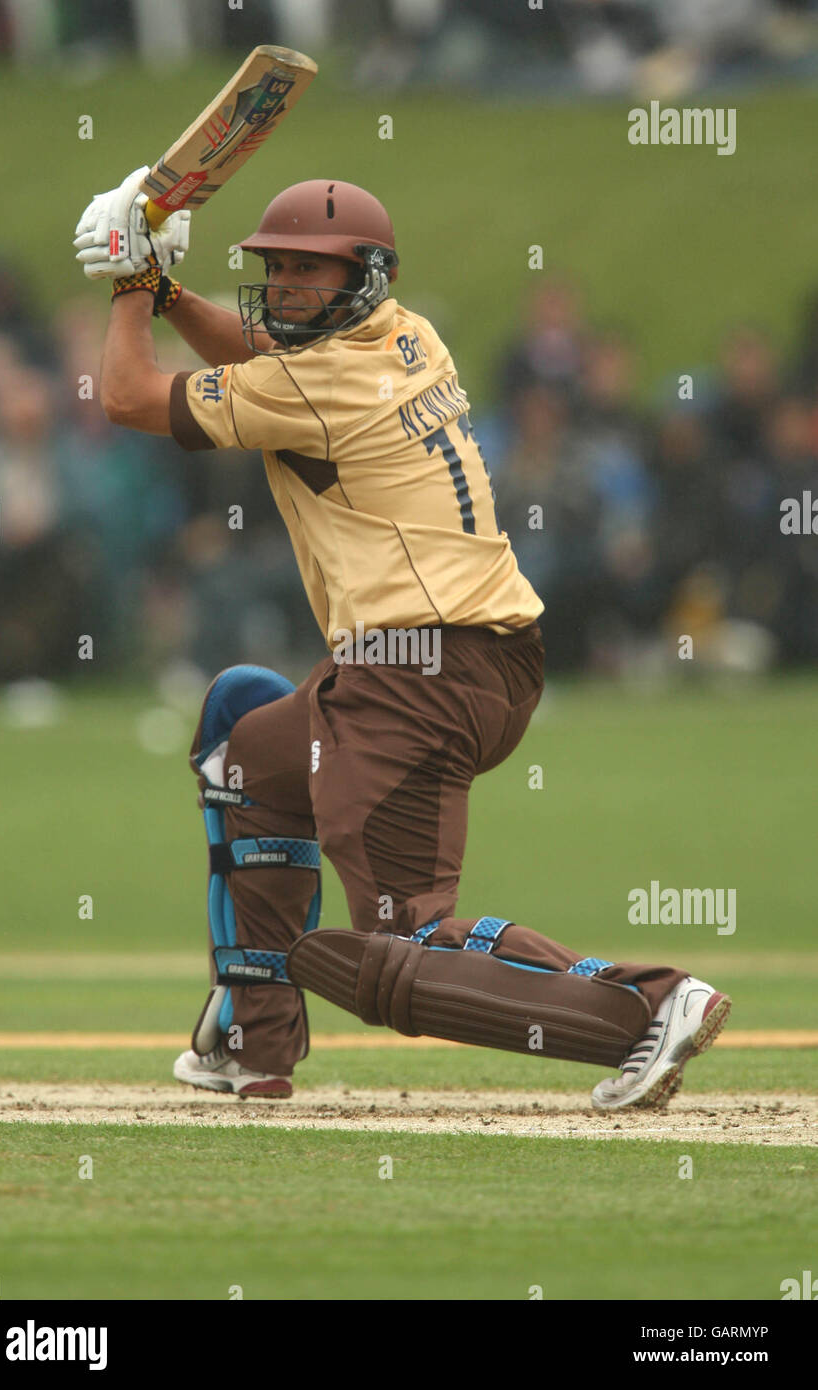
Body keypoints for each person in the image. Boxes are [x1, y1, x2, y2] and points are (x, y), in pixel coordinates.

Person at [73, 170, 731, 1111]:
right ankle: (253, 1042)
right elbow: (263, 352)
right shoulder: (408, 334)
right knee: (245, 752)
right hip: (483, 659)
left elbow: (130, 397)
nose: (287, 286)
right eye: (278, 267)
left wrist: (129, 287)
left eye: (310, 271)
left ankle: (648, 1003)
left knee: (397, 952)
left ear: (362, 278)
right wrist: (171, 293)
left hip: (413, 674)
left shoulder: (317, 384)